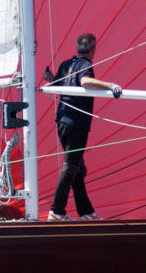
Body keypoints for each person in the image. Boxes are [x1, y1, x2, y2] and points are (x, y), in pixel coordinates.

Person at [43, 32, 122, 221]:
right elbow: (85, 81)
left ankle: (86, 212)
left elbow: (56, 82)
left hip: (62, 122)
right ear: (93, 50)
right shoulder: (85, 65)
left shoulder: (66, 64)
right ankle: (57, 211)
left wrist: (49, 77)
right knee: (71, 166)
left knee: (78, 168)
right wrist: (110, 85)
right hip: (76, 124)